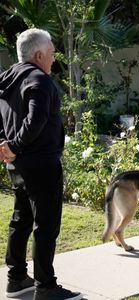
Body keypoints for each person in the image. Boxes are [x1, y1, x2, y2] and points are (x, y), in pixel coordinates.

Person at [0, 28, 82, 300]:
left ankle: (16, 279)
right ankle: (45, 287)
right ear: (38, 54)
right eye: (51, 51)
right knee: (45, 225)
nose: (54, 55)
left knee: (21, 220)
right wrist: (14, 145)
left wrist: (6, 146)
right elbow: (35, 121)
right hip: (42, 164)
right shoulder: (40, 80)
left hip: (18, 165)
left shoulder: (6, 78)